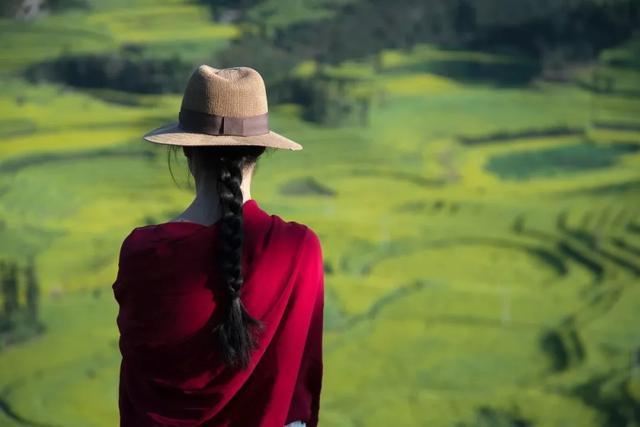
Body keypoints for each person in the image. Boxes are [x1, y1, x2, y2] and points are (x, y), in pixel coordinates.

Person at [111, 65, 324, 427]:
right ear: (259, 152)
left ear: (186, 153)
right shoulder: (298, 249)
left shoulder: (142, 253)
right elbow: (303, 382)